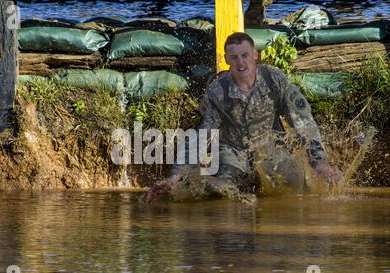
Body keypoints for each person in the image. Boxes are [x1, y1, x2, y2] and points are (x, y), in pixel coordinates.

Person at [143, 32, 341, 204]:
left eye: (245, 55)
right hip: (234, 153)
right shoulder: (217, 92)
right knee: (221, 191)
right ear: (227, 59)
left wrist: (319, 162)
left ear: (255, 55)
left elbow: (304, 122)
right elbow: (202, 134)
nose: (241, 62)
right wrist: (177, 175)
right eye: (234, 57)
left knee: (293, 188)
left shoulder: (274, 80)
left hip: (271, 149)